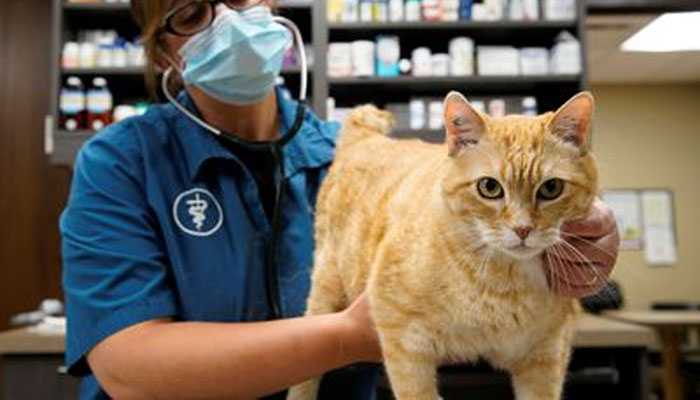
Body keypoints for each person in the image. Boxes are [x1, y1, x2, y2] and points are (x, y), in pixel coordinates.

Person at [59, 1, 620, 399]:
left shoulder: (355, 156)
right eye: (190, 14)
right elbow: (130, 369)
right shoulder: (121, 162)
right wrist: (349, 334)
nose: (226, 21)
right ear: (163, 56)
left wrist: (584, 233)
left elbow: (460, 185)